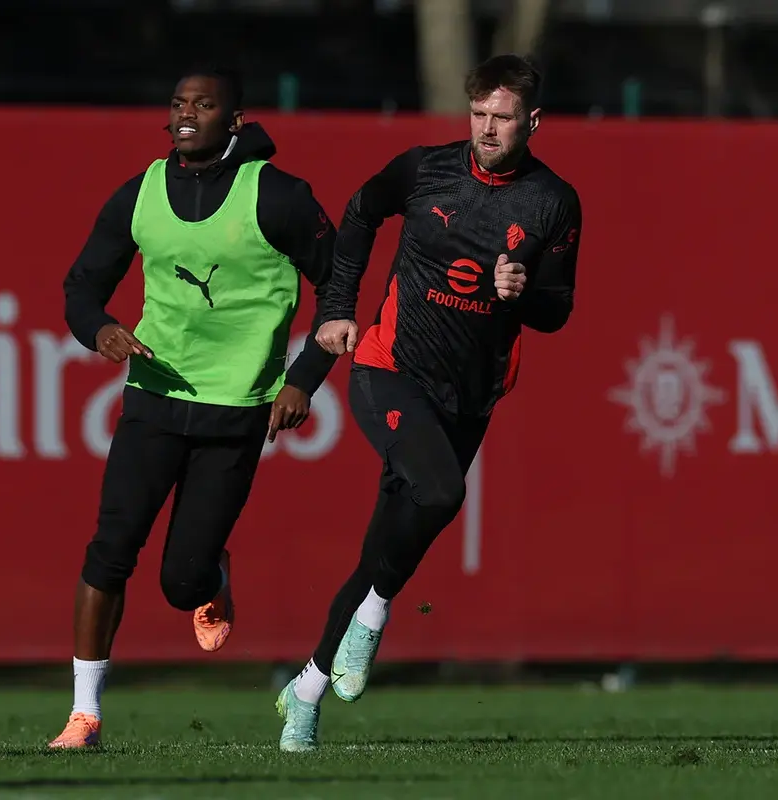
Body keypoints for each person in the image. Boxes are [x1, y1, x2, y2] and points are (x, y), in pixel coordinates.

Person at [275, 54, 583, 752]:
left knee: (386, 550)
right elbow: (358, 213)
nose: (487, 129)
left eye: (503, 118)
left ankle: (305, 693)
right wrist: (340, 307)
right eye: (479, 114)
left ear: (532, 122)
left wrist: (522, 292)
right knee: (441, 493)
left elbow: (558, 308)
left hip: (471, 394)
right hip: (389, 367)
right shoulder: (424, 169)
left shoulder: (553, 202)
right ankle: (374, 622)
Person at [48, 65, 338, 749]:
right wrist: (102, 330)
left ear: (233, 119)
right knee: (110, 549)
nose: (186, 113)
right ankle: (83, 715)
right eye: (178, 102)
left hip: (236, 412)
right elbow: (79, 287)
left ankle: (212, 574)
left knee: (182, 583)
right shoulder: (140, 193)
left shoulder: (279, 196)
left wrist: (305, 378)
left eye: (203, 104)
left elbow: (342, 286)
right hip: (153, 398)